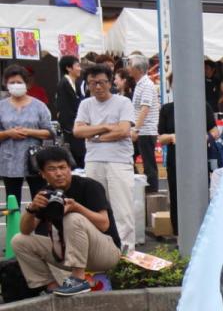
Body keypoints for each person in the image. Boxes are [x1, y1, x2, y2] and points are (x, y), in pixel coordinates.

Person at [11, 146, 121, 296]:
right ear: (42, 174)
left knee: (72, 217)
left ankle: (78, 280)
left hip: (105, 253)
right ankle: (50, 287)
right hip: (67, 253)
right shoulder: (46, 194)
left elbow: (104, 224)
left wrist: (76, 207)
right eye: (52, 169)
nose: (59, 173)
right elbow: (25, 230)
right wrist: (32, 208)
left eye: (62, 167)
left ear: (70, 168)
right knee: (19, 241)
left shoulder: (89, 186)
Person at [74, 64, 136, 251]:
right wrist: (106, 127)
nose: (97, 87)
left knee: (122, 209)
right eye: (92, 83)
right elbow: (78, 131)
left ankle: (126, 252)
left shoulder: (123, 102)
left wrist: (94, 136)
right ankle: (101, 251)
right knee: (95, 207)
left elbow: (124, 130)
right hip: (93, 161)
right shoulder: (85, 104)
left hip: (119, 161)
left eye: (101, 82)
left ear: (110, 83)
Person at [157, 72, 218, 235]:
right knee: (176, 196)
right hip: (175, 161)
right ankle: (179, 233)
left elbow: (215, 130)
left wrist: (204, 138)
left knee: (200, 193)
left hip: (198, 160)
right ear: (172, 86)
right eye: (176, 82)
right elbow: (160, 138)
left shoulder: (202, 106)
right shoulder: (167, 109)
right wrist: (171, 137)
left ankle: (203, 232)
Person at [0, 65, 54, 202]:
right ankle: (14, 223)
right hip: (9, 161)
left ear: (26, 83)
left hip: (35, 160)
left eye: (19, 82)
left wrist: (29, 131)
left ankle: (40, 223)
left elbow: (49, 132)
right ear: (6, 84)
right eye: (12, 82)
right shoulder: (2, 106)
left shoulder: (39, 106)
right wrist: (8, 133)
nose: (15, 85)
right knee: (12, 200)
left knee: (40, 198)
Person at [126, 55, 161, 193]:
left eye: (130, 66)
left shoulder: (146, 85)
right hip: (142, 130)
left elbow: (145, 108)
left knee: (148, 163)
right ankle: (140, 186)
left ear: (138, 69)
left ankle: (151, 190)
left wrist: (136, 129)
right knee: (130, 158)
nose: (128, 68)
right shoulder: (140, 84)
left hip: (145, 131)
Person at [56, 55, 86, 168]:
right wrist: (71, 129)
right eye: (77, 66)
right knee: (77, 159)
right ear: (69, 68)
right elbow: (64, 109)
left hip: (78, 128)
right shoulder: (64, 84)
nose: (80, 69)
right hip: (72, 130)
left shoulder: (75, 83)